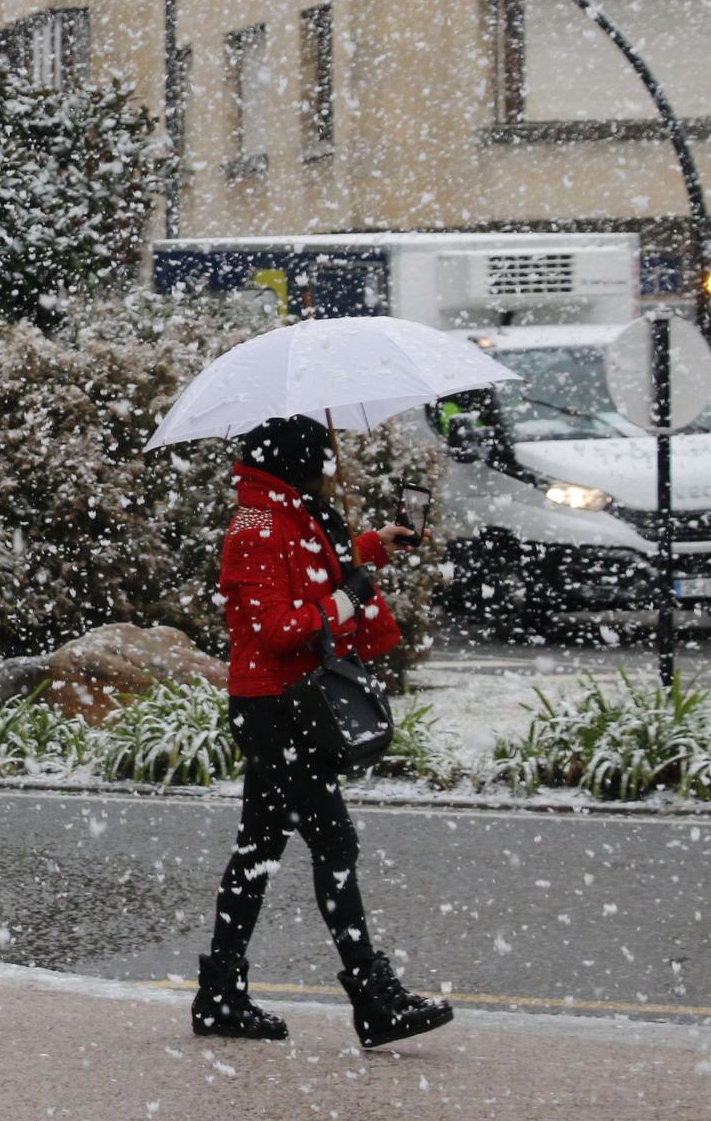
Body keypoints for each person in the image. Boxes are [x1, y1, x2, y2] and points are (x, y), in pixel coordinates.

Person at [191, 413, 454, 1050]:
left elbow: (303, 560)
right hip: (276, 708)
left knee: (259, 849)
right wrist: (348, 597)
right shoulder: (253, 524)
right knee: (332, 845)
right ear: (291, 464)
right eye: (318, 464)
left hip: (286, 707)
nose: (326, 474)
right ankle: (373, 998)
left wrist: (367, 546)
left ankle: (221, 995)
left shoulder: (282, 509)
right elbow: (279, 626)